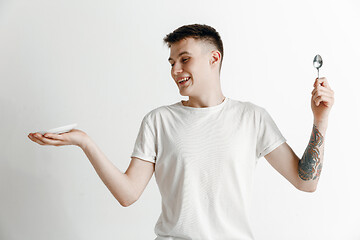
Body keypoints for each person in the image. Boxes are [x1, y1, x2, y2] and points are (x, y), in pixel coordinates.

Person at [28, 24, 335, 240]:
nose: (175, 69)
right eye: (172, 62)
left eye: (184, 59)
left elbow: (305, 183)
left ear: (214, 58)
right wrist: (85, 142)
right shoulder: (158, 121)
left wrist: (320, 119)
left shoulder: (251, 117)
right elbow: (128, 194)